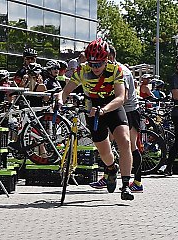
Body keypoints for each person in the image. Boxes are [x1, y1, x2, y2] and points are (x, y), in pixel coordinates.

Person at [57, 38, 134, 200]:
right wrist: (59, 100)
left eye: (99, 64)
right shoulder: (82, 70)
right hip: (92, 108)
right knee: (104, 151)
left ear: (106, 60)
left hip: (112, 106)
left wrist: (104, 109)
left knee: (124, 141)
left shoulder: (116, 70)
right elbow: (65, 91)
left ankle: (126, 185)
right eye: (92, 64)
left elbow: (121, 97)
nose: (95, 68)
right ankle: (111, 169)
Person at [89, 44, 143, 193]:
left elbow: (123, 97)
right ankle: (109, 174)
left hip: (128, 110)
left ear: (110, 58)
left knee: (129, 144)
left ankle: (137, 181)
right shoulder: (103, 71)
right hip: (110, 110)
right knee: (108, 144)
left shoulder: (121, 71)